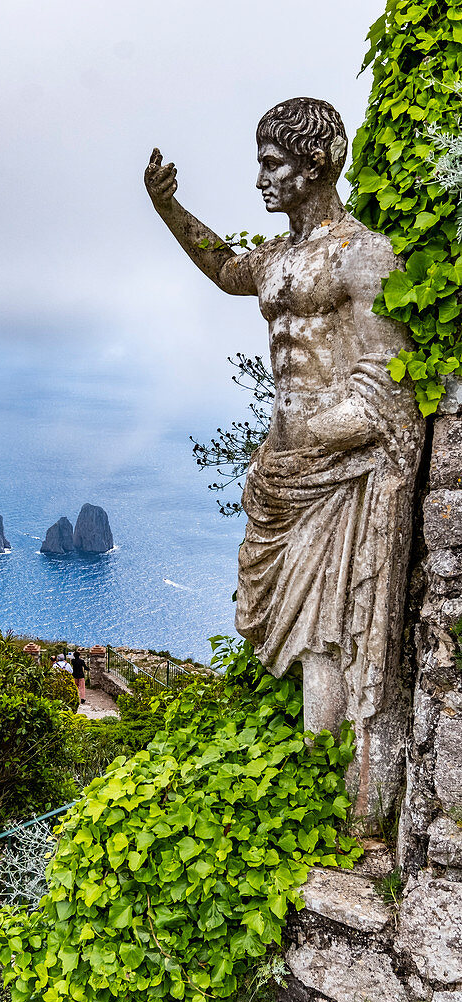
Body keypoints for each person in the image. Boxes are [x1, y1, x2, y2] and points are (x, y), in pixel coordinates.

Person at [144, 97, 423, 815]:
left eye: (272, 164)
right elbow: (223, 268)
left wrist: (330, 430)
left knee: (327, 629)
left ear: (316, 163)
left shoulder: (361, 255)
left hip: (337, 474)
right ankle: (310, 791)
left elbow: (387, 378)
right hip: (281, 471)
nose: (260, 179)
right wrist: (167, 209)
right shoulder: (279, 258)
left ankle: (337, 799)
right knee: (298, 634)